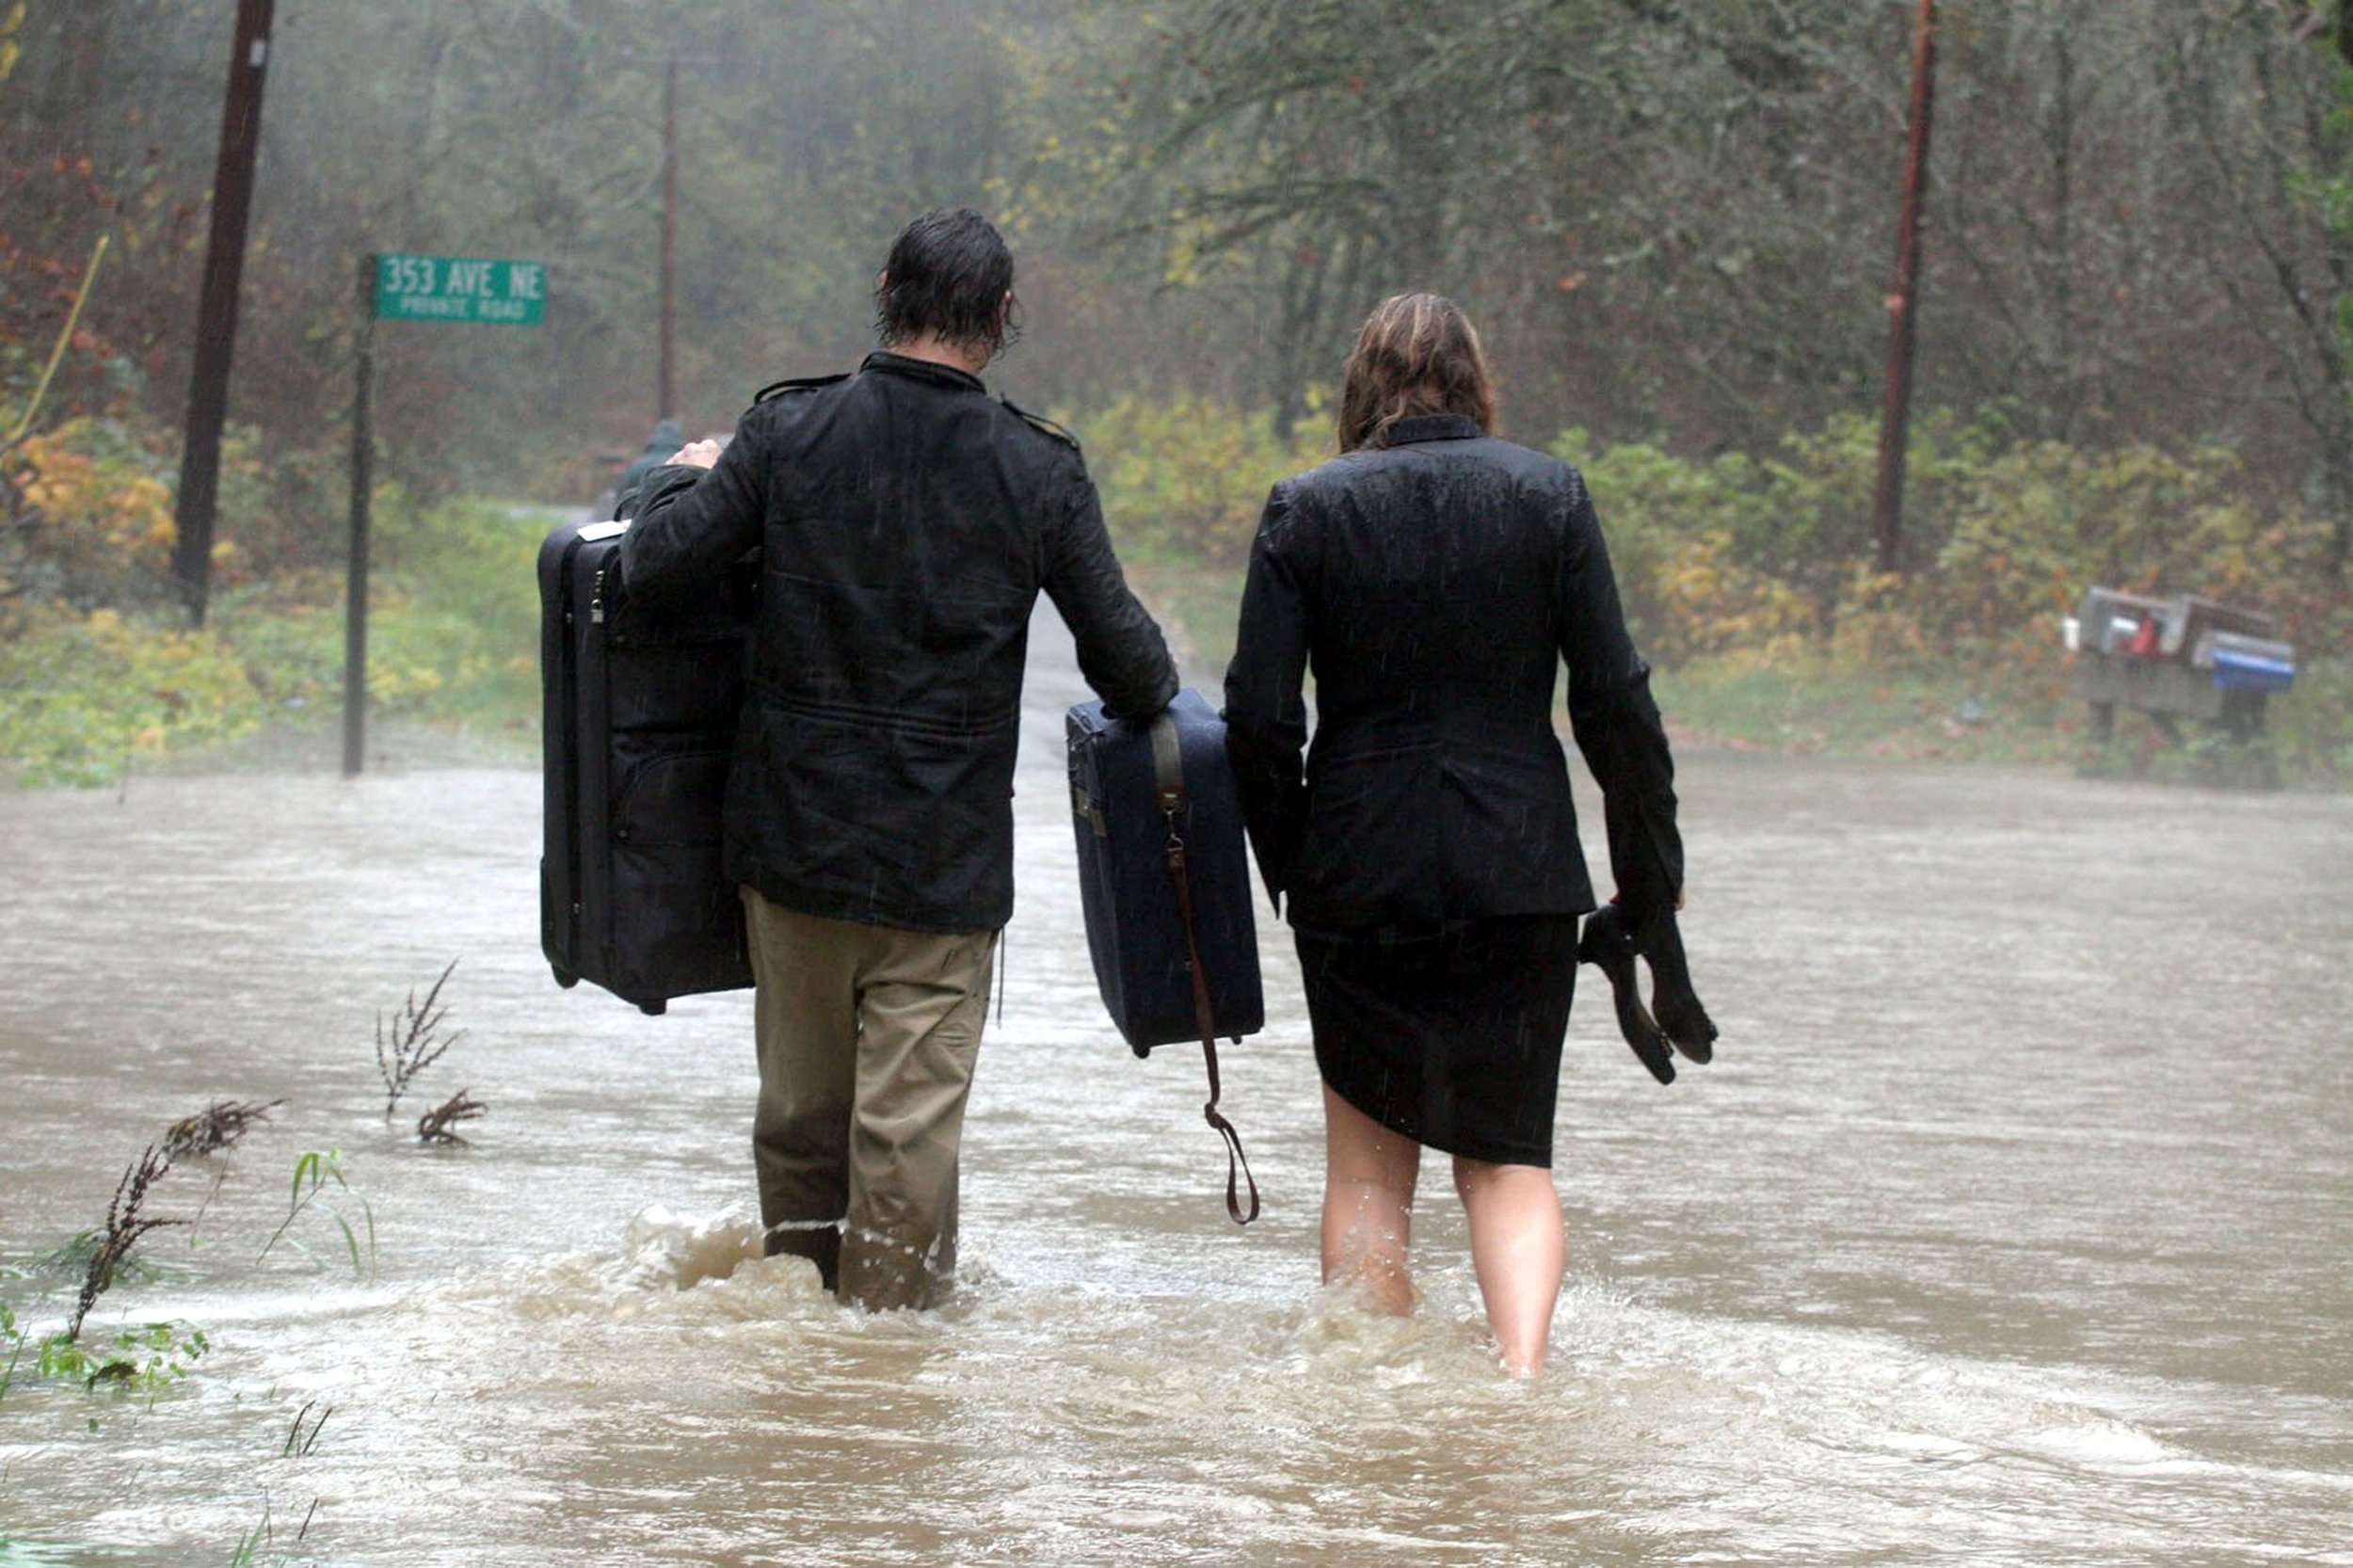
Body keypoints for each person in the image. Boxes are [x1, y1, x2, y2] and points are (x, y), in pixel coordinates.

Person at [618, 207, 1178, 1310]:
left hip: (792, 851)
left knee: (798, 1125)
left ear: (885, 289)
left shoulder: (786, 434)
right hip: (941, 870)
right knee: (905, 1143)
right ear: (1003, 317)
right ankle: (885, 1374)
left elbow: (650, 572)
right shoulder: (1039, 470)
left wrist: (683, 479)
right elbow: (1136, 673)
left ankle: (804, 1350)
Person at [1222, 293, 1685, 1375]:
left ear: (1361, 389)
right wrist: (1645, 880)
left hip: (1357, 872)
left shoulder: (1305, 507)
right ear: (1475, 381)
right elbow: (1617, 703)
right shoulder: (1550, 497)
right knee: (1507, 1161)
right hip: (1519, 874)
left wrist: (1290, 862)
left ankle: (1374, 1387)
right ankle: (1521, 1374)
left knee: (1369, 1175)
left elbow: (1257, 718)